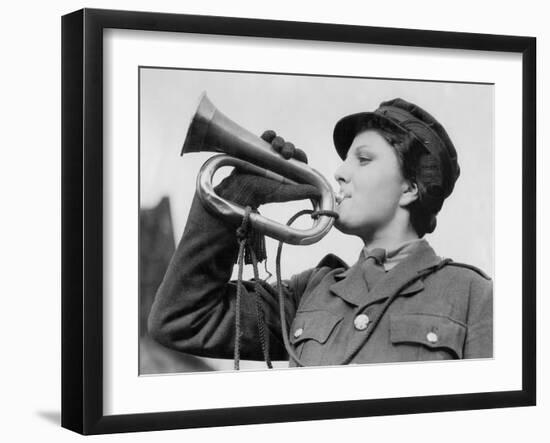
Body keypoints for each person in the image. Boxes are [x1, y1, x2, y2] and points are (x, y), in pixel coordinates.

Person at [148, 98, 493, 367]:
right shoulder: (310, 291)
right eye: (345, 160)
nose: (340, 173)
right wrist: (239, 194)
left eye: (364, 159)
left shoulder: (473, 295)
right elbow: (181, 320)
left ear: (409, 189)